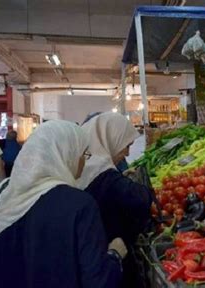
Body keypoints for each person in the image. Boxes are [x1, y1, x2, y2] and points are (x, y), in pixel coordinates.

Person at [0, 120, 127, 288]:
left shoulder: (1, 194)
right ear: (66, 155)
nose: (84, 162)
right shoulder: (80, 205)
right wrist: (115, 254)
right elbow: (98, 281)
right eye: (84, 154)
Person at [78, 112, 152, 288]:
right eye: (126, 146)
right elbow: (140, 200)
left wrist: (118, 177)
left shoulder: (87, 165)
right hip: (109, 259)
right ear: (110, 139)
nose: (126, 153)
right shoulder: (104, 174)